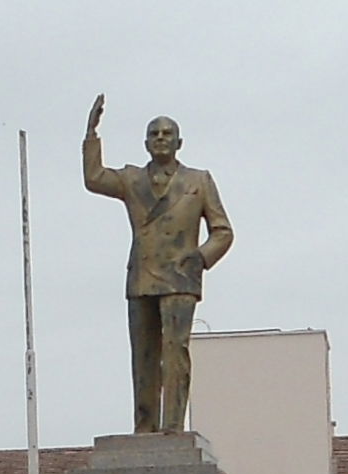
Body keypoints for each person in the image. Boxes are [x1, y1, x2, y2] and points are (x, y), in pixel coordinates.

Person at [81, 98, 235, 433]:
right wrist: (91, 133)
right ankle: (145, 428)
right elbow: (93, 178)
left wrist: (201, 257)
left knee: (174, 352)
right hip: (142, 278)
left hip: (181, 278)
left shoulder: (199, 180)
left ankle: (172, 428)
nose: (161, 137)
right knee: (144, 356)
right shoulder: (131, 179)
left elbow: (223, 231)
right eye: (154, 133)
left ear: (179, 143)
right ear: (146, 143)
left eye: (167, 133)